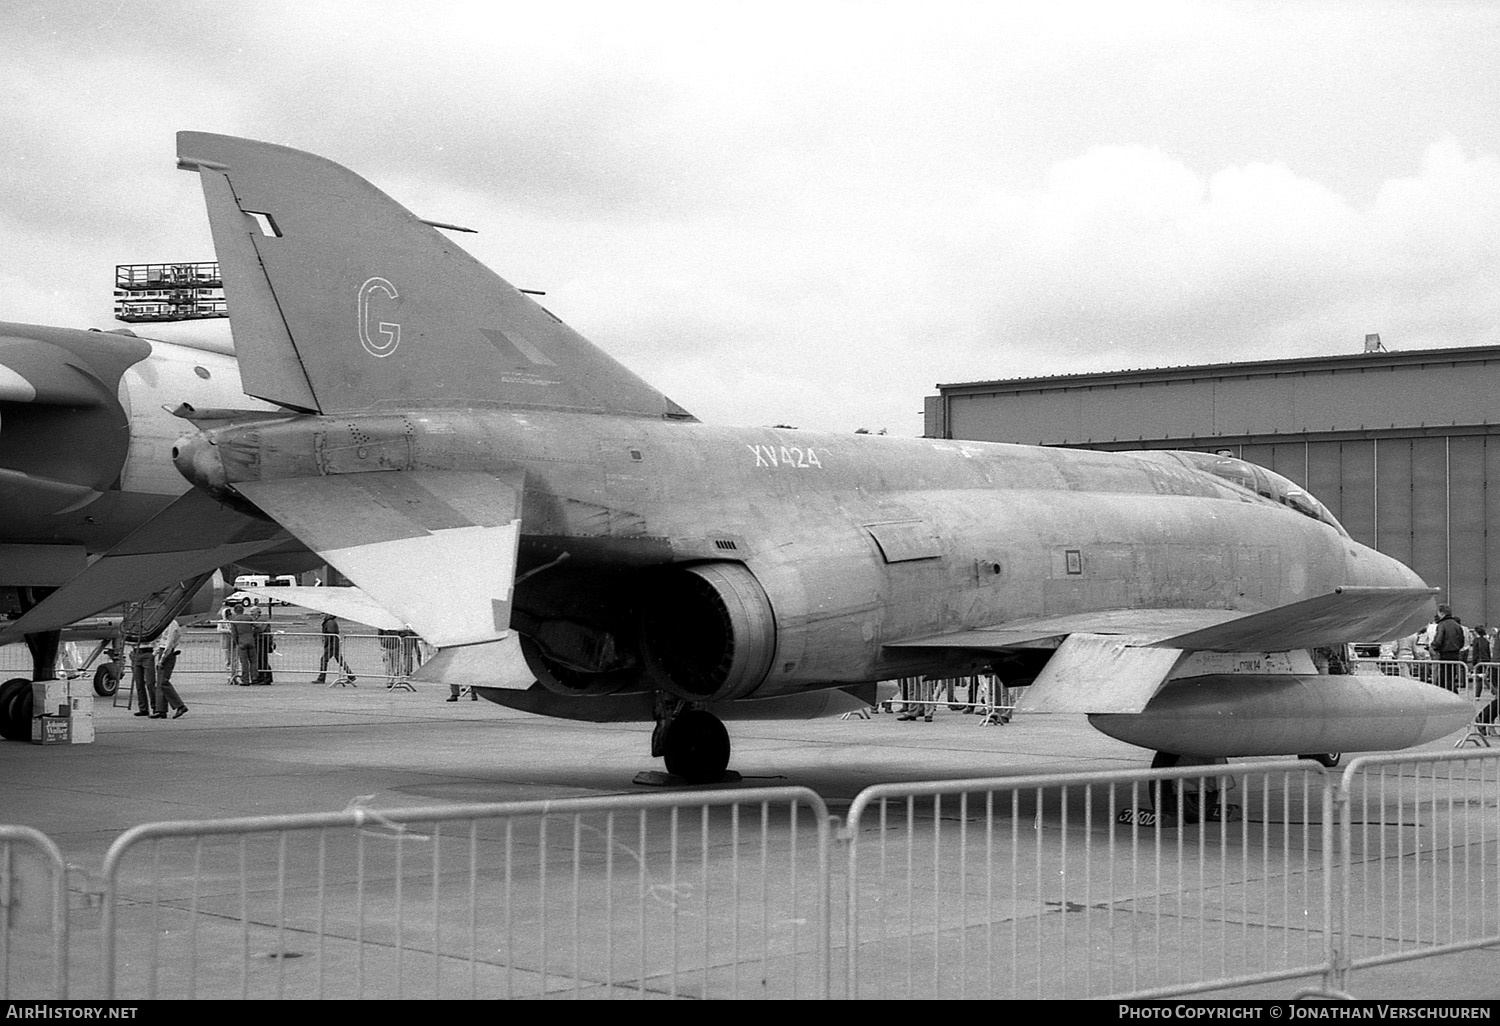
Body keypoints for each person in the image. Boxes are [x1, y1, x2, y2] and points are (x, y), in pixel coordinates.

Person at [151, 618, 189, 718]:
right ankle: (161, 710)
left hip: (168, 653)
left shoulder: (173, 625)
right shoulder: (167, 623)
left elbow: (169, 643)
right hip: (164, 651)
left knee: (163, 681)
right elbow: (163, 641)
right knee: (160, 682)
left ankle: (180, 705)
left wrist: (162, 658)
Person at [312, 612, 356, 686]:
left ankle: (321, 678)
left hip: (331, 645)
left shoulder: (330, 622)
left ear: (327, 614)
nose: (321, 615)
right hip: (333, 644)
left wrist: (327, 644)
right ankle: (351, 675)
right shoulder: (330, 622)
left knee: (324, 659)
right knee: (340, 660)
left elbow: (331, 634)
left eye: (323, 614)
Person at [1431, 604, 1466, 693]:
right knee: (1450, 678)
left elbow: (1438, 640)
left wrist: (1433, 646)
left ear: (1442, 613)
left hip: (1444, 654)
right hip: (1455, 654)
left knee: (1443, 678)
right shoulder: (1457, 625)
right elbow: (1462, 641)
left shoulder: (1441, 625)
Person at [129, 642, 156, 716]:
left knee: (150, 682)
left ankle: (156, 707)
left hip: (147, 652)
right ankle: (143, 708)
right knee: (139, 683)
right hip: (136, 652)